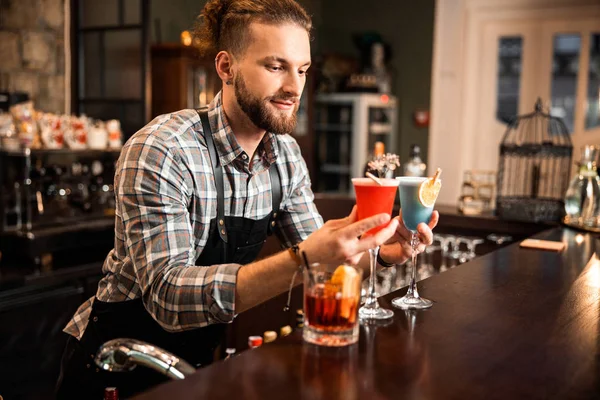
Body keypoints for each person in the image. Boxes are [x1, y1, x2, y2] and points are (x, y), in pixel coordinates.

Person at [56, 0, 439, 398]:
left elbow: (325, 269)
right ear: (226, 67)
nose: (295, 87)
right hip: (116, 364)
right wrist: (304, 259)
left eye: (303, 70)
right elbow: (167, 296)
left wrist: (377, 251)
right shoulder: (164, 148)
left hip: (195, 369)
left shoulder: (285, 156)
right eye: (276, 67)